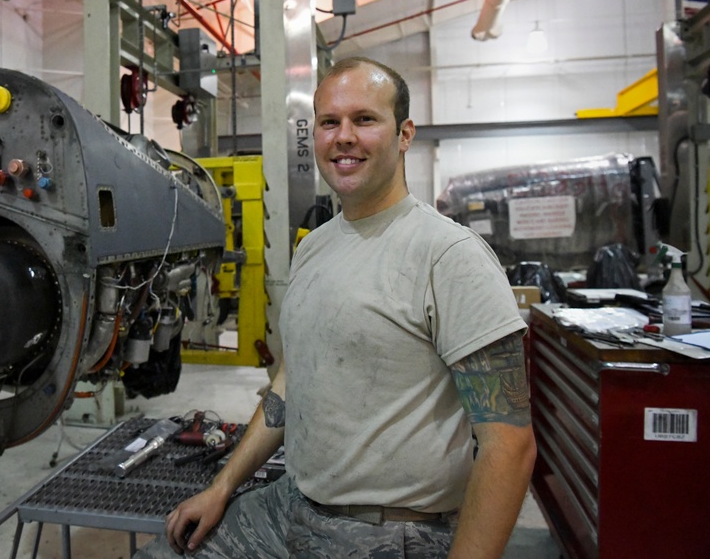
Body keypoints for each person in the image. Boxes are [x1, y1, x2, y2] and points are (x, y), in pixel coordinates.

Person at [134, 57, 536, 558]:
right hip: (291, 507)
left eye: (364, 120)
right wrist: (222, 487)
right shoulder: (315, 247)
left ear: (404, 134)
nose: (343, 136)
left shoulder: (449, 257)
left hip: (390, 533)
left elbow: (509, 446)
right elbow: (291, 381)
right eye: (329, 122)